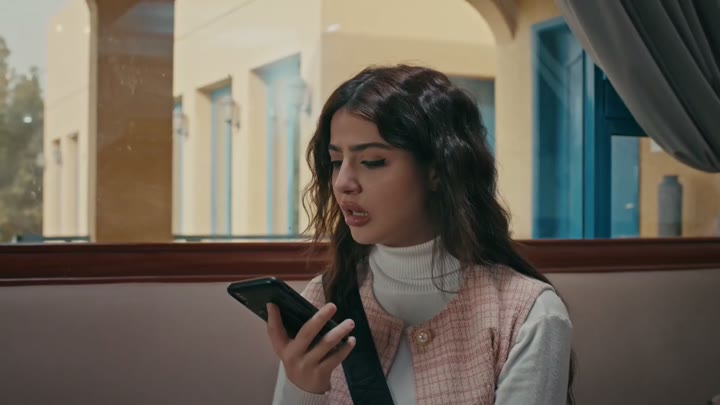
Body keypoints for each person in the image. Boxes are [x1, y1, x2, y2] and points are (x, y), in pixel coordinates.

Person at [266, 64, 574, 405]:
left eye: (372, 161)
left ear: (437, 170)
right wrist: (303, 388)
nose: (343, 183)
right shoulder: (322, 301)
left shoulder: (527, 314)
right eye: (337, 161)